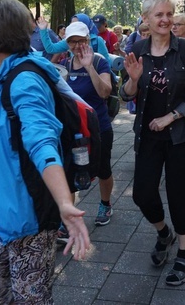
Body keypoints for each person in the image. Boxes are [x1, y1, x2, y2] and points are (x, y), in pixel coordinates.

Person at [0, 0, 90, 304]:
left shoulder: (25, 80)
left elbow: (41, 140)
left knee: (30, 297)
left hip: (30, 209)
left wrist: (64, 203)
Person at [120, 0, 185, 286]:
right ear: (146, 19)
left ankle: (183, 253)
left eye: (169, 14)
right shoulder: (138, 49)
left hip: (180, 135)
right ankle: (163, 233)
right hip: (148, 135)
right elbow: (126, 94)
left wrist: (172, 116)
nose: (166, 19)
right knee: (143, 193)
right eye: (159, 15)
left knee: (180, 192)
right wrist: (132, 79)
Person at [62, 21, 115, 227]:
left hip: (98, 127)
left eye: (81, 41)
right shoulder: (64, 65)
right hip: (73, 129)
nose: (77, 46)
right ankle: (70, 216)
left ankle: (105, 204)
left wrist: (89, 66)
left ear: (88, 40)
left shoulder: (100, 61)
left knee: (103, 169)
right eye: (72, 41)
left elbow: (104, 92)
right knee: (70, 171)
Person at [37, 14, 110, 60]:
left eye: (81, 41)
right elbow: (51, 49)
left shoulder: (96, 41)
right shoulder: (69, 40)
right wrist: (43, 30)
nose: (76, 45)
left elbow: (106, 63)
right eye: (72, 24)